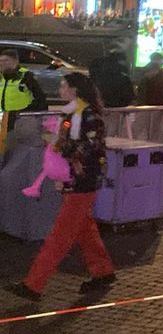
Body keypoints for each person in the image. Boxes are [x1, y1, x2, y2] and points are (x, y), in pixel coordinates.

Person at [6, 73, 114, 301]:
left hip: (82, 181)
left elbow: (90, 148)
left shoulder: (89, 116)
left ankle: (33, 285)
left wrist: (61, 149)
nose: (61, 89)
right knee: (85, 229)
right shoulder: (70, 114)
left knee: (60, 236)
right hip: (74, 179)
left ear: (74, 89)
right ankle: (103, 271)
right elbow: (67, 142)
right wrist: (56, 145)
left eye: (64, 86)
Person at [0, 48, 47, 131]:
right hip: (3, 120)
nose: (2, 63)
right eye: (0, 61)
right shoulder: (1, 77)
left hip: (20, 120)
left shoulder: (26, 77)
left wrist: (25, 113)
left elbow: (40, 99)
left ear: (15, 62)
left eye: (6, 61)